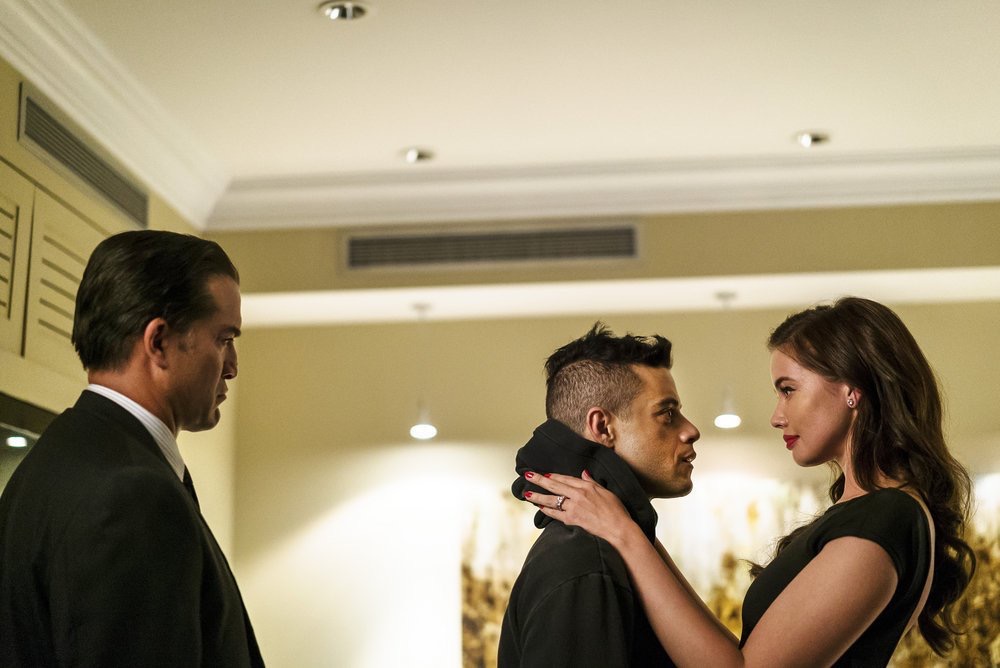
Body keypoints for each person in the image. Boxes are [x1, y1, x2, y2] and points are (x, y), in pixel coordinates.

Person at [526, 297, 976, 667]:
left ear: (851, 389)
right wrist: (630, 526)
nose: (777, 416)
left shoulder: (886, 518)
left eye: (788, 389)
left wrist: (625, 533)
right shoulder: (870, 515)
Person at [0, 230, 265, 667]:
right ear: (158, 342)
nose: (232, 366)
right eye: (224, 339)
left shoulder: (47, 467)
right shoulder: (134, 497)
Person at [498, 323, 702, 667]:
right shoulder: (584, 559)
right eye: (667, 414)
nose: (691, 430)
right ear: (602, 427)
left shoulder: (608, 547)